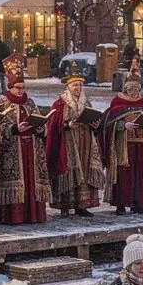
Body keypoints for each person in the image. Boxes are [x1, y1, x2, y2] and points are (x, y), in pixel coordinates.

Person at [0, 54, 51, 224]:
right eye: (17, 87)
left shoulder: (30, 103)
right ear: (10, 87)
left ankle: (33, 214)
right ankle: (14, 216)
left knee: (31, 180)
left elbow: (40, 121)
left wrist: (41, 128)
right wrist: (14, 129)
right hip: (13, 149)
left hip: (31, 148)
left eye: (23, 87)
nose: (20, 91)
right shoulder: (2, 104)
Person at [45, 64, 105, 217]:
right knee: (68, 171)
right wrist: (67, 125)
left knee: (84, 171)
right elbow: (53, 125)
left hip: (85, 142)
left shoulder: (86, 102)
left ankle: (81, 205)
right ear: (68, 87)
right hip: (67, 142)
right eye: (75, 85)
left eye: (79, 85)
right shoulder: (60, 103)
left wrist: (95, 125)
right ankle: (65, 205)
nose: (78, 88)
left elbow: (93, 119)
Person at [103, 71, 143, 214]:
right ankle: (121, 203)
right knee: (123, 174)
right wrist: (123, 125)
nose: (135, 92)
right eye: (131, 89)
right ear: (126, 89)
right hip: (124, 144)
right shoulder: (117, 102)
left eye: (137, 89)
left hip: (142, 144)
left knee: (141, 174)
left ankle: (138, 203)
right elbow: (109, 123)